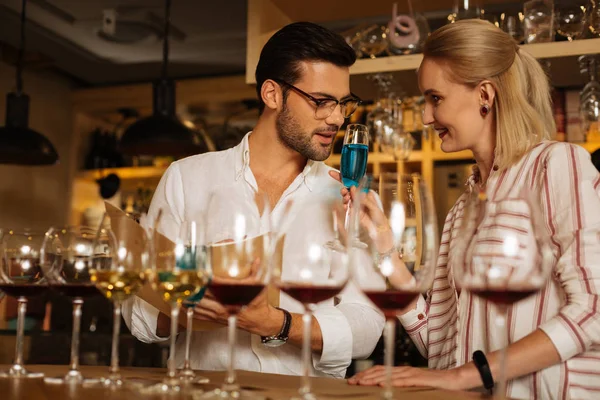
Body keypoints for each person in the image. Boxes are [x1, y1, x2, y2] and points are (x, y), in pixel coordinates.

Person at [346, 19, 600, 399]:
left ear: (485, 94)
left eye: (435, 98)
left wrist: (466, 375)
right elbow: (444, 349)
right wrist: (386, 250)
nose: (427, 117)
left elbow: (595, 308)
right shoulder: (464, 206)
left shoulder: (556, 164)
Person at [121, 22, 385, 378]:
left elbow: (368, 325)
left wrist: (274, 322)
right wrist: (194, 299)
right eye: (322, 102)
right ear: (272, 94)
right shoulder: (186, 179)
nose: (336, 118)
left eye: (344, 104)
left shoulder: (353, 199)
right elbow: (140, 318)